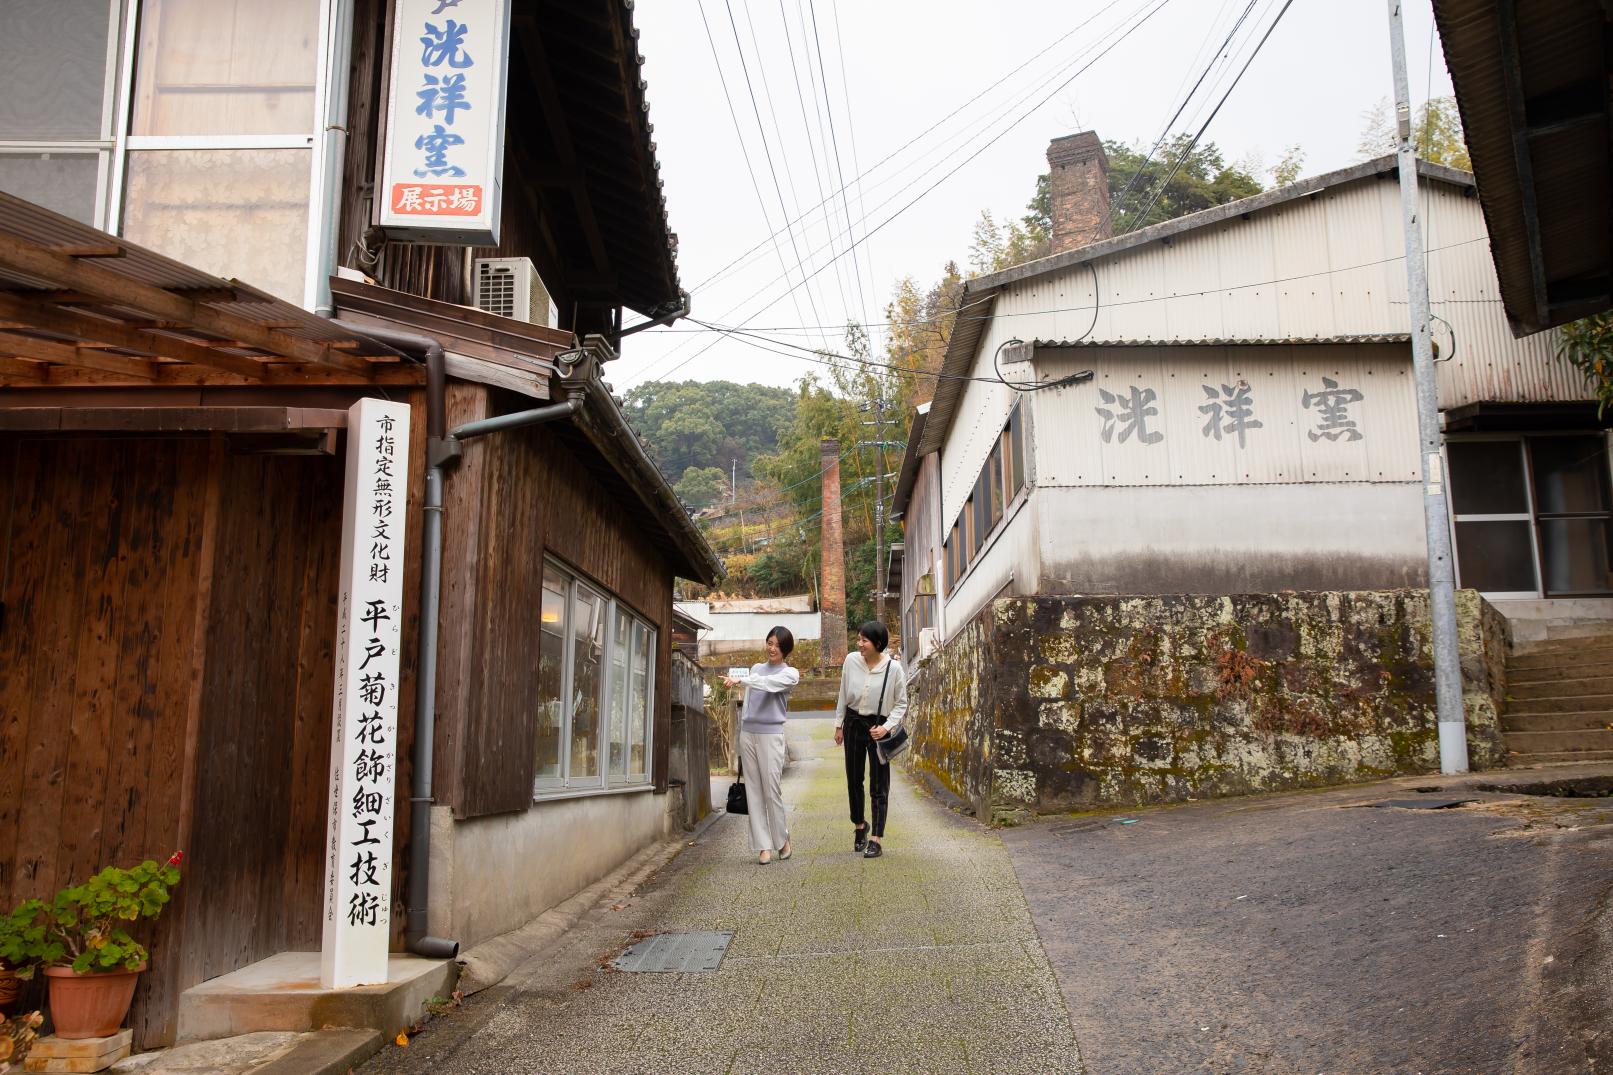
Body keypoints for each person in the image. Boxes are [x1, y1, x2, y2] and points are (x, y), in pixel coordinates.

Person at [722, 627, 800, 864]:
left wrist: (741, 679)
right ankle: (762, 846)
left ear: (785, 649)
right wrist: (743, 730)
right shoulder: (756, 669)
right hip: (749, 733)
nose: (771, 648)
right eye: (769, 643)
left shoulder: (790, 674)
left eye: (776, 644)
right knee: (753, 790)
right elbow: (749, 701)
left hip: (771, 735)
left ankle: (782, 840)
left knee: (771, 790)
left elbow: (768, 685)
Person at [833, 620, 909, 859]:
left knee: (879, 785)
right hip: (854, 724)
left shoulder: (893, 669)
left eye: (864, 640)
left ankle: (876, 838)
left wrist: (886, 728)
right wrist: (839, 725)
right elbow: (843, 693)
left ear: (877, 643)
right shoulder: (851, 661)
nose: (859, 644)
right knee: (854, 780)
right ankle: (859, 826)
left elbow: (901, 703)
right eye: (859, 639)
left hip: (878, 727)